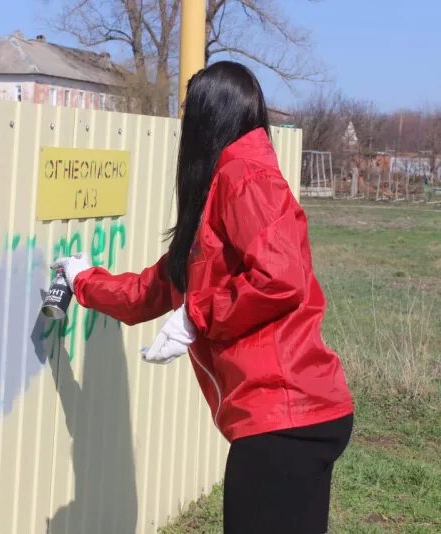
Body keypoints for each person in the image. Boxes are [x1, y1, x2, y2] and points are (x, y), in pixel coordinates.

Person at [51, 61, 354, 534]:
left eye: (188, 112)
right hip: (289, 418)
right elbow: (154, 290)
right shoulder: (219, 188)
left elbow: (281, 277)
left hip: (285, 417)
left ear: (207, 119)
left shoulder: (246, 176)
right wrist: (85, 280)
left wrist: (198, 316)